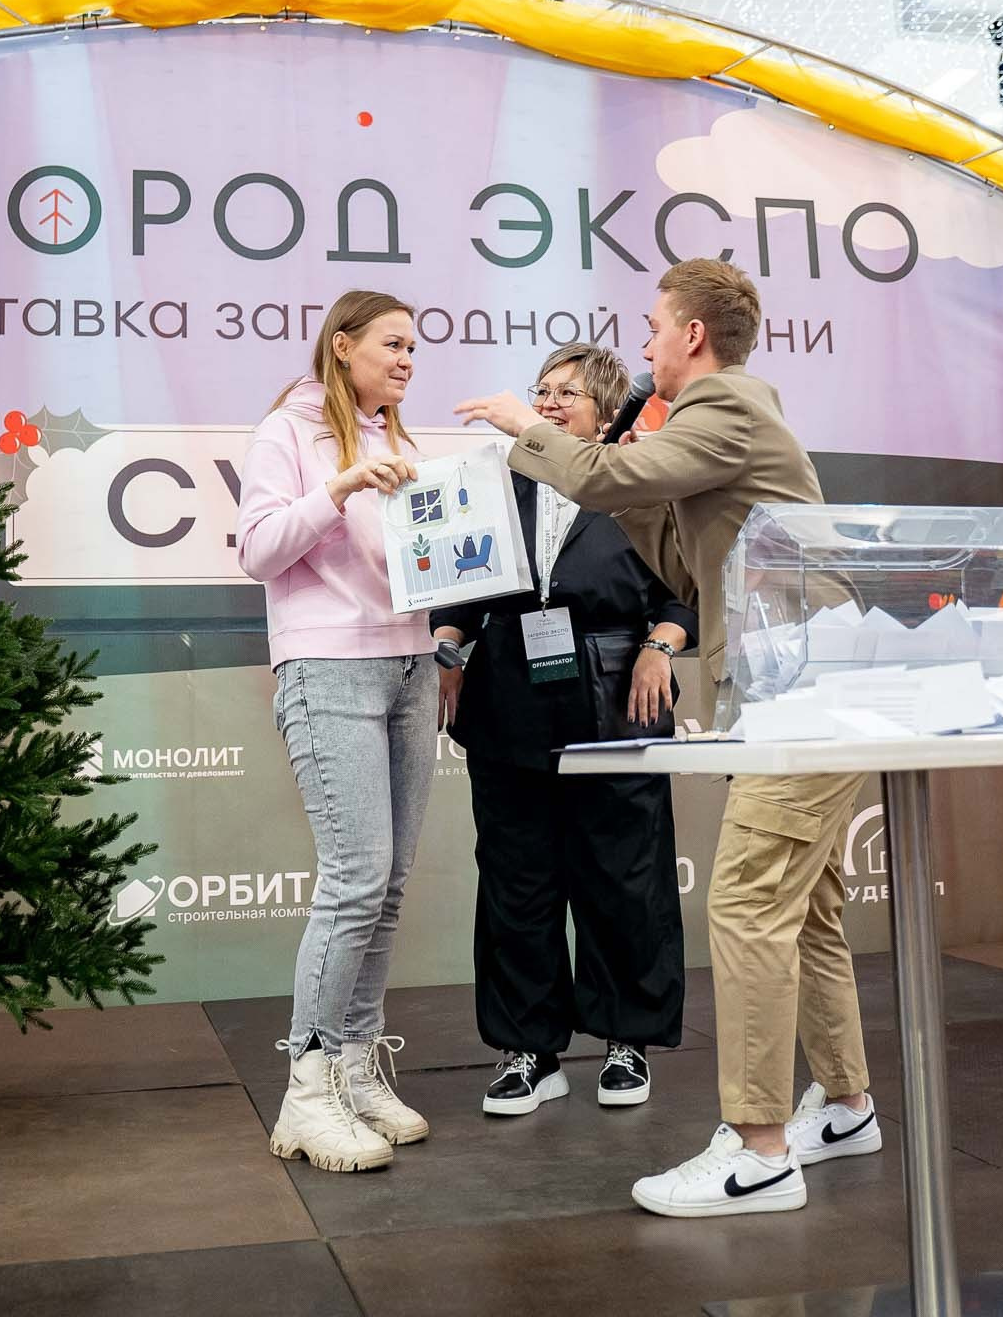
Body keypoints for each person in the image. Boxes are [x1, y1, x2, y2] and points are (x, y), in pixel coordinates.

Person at [455, 259, 881, 1219]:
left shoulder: (724, 405)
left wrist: (528, 429)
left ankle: (758, 1150)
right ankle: (846, 1106)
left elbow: (601, 478)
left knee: (746, 902)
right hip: (788, 683)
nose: (643, 345)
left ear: (692, 334)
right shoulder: (710, 425)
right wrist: (627, 480)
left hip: (805, 686)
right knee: (807, 907)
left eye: (652, 327)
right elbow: (681, 563)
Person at [431, 342, 695, 1117]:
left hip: (618, 702)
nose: (545, 404)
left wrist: (657, 647)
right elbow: (458, 589)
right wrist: (447, 644)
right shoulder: (490, 485)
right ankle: (528, 1051)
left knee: (623, 879)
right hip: (508, 702)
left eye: (564, 394)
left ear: (605, 412)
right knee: (516, 883)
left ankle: (625, 1041)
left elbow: (684, 593)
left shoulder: (640, 483)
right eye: (539, 391)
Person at [237, 290, 437, 1174]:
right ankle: (306, 1093)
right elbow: (258, 550)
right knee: (355, 880)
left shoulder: (399, 438)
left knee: (386, 886)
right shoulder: (287, 430)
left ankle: (355, 1068)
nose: (406, 360)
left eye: (413, 349)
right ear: (343, 345)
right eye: (392, 344)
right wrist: (339, 486)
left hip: (411, 665)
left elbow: (414, 562)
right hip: (327, 667)